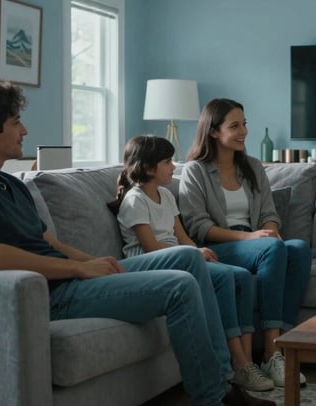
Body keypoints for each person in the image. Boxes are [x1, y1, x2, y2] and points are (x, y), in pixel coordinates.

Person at [0, 80, 274, 406]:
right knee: (179, 285)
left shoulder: (11, 185)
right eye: (16, 121)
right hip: (52, 294)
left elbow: (49, 242)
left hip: (72, 278)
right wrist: (78, 269)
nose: (25, 129)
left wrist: (101, 263)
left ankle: (222, 384)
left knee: (189, 257)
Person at [109, 134, 274, 391]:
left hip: (180, 258)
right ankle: (237, 362)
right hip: (151, 264)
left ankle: (247, 362)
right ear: (149, 167)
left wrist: (200, 251)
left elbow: (182, 237)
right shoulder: (135, 200)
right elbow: (151, 246)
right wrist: (194, 255)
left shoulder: (166, 194)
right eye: (167, 162)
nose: (174, 166)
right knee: (221, 277)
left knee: (239, 275)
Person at [179, 98, 313, 388]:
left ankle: (278, 350)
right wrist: (251, 238)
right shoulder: (195, 171)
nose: (244, 131)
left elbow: (269, 213)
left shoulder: (252, 166)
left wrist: (270, 230)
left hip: (257, 243)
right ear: (213, 132)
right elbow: (198, 225)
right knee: (273, 248)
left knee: (299, 249)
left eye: (245, 124)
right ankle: (271, 350)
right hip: (220, 246)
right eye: (234, 126)